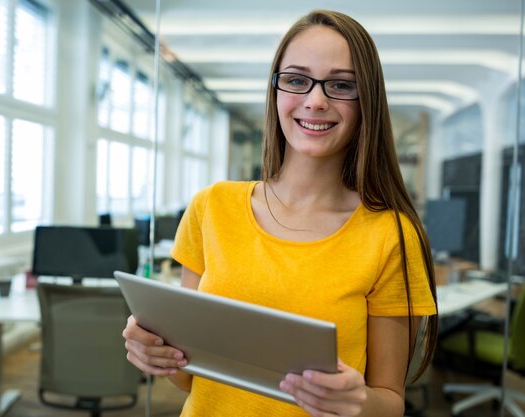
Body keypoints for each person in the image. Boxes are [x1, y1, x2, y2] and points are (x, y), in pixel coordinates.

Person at [123, 9, 437, 417]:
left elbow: (389, 402)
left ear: (367, 103)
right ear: (275, 91)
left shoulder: (390, 234)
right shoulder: (212, 207)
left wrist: (358, 402)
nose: (316, 100)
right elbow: (188, 375)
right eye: (296, 80)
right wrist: (156, 354)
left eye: (341, 85)